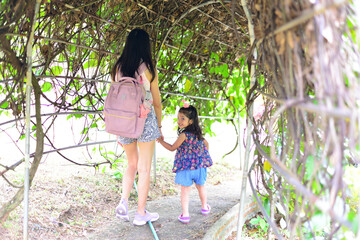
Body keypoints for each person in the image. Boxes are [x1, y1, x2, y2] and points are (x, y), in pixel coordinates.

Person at [112, 28, 162, 226]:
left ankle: (123, 203)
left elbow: (116, 96)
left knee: (131, 163)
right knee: (145, 168)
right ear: (145, 46)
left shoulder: (118, 67)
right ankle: (140, 213)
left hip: (122, 121)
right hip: (145, 119)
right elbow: (156, 101)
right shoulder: (148, 68)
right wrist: (158, 124)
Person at [157, 104, 213, 223]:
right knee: (201, 187)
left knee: (185, 191)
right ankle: (204, 207)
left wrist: (161, 141)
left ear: (191, 121)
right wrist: (200, 157)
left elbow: (172, 147)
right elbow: (206, 145)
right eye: (178, 118)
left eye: (183, 118)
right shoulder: (199, 136)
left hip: (186, 168)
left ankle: (186, 215)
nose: (179, 121)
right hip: (199, 168)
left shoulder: (184, 135)